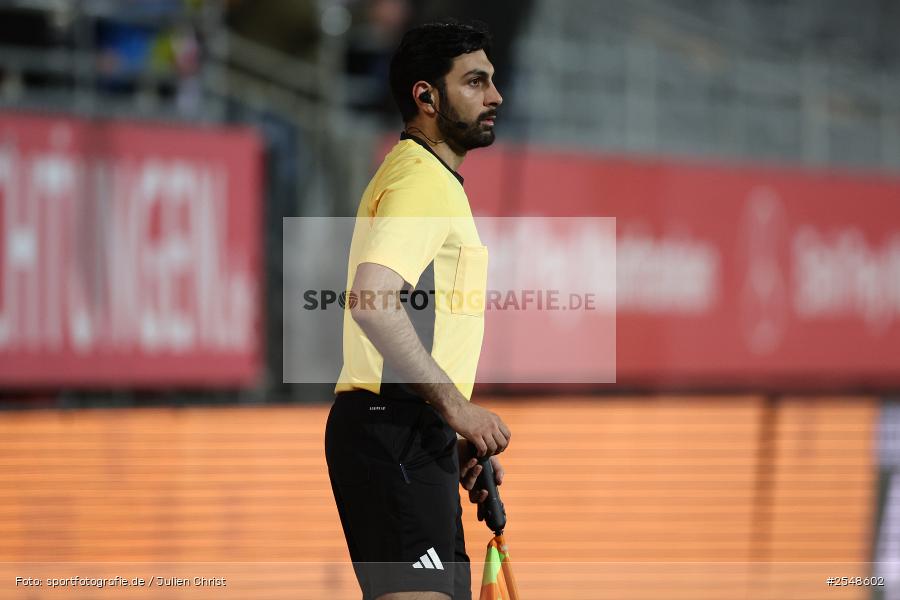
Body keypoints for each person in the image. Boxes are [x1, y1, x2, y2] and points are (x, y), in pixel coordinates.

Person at [325, 18, 511, 600]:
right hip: (393, 430)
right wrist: (456, 409)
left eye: (493, 81)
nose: (496, 96)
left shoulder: (430, 179)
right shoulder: (422, 182)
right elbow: (372, 301)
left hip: (408, 432)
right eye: (475, 82)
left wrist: (446, 434)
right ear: (425, 97)